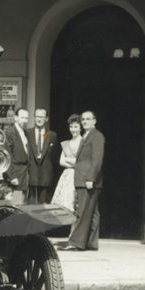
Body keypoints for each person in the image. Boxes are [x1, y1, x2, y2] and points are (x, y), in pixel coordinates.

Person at [58, 110, 105, 251]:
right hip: (83, 179)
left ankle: (76, 243)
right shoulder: (86, 136)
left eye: (88, 119)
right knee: (92, 212)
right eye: (83, 119)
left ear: (94, 121)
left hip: (87, 180)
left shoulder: (97, 136)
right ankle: (91, 242)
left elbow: (97, 160)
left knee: (83, 211)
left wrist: (90, 178)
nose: (85, 122)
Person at [27, 107, 59, 204]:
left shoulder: (52, 135)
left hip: (46, 177)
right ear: (34, 117)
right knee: (30, 207)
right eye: (37, 116)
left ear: (46, 119)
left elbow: (55, 157)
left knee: (43, 208)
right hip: (30, 175)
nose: (39, 119)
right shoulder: (27, 133)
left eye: (42, 116)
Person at [52, 114, 83, 211]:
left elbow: (82, 162)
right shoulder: (67, 143)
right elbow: (61, 161)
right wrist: (73, 161)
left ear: (80, 128)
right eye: (71, 127)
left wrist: (70, 160)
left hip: (78, 176)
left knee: (76, 205)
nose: (73, 129)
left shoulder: (83, 142)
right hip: (67, 176)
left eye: (75, 127)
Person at [4, 107, 30, 205]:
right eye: (22, 117)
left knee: (23, 203)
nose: (25, 120)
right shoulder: (10, 132)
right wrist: (12, 176)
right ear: (16, 118)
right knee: (16, 204)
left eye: (26, 118)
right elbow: (7, 155)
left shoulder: (25, 132)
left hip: (25, 175)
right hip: (16, 173)